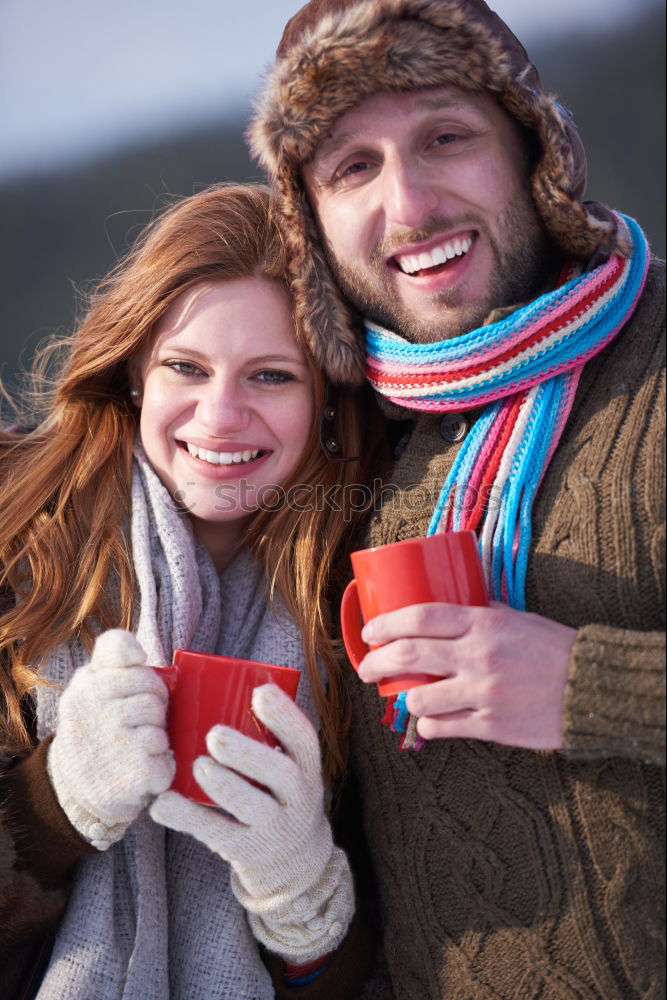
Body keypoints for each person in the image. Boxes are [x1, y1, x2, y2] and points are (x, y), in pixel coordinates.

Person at [248, 1, 666, 997]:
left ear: (534, 151)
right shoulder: (330, 442)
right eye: (354, 166)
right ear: (309, 219)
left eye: (445, 137)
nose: (412, 207)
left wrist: (588, 684)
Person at [0, 182, 379, 999]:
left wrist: (301, 896)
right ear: (135, 367)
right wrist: (57, 801)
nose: (220, 415)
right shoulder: (12, 535)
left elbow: (386, 966)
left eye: (272, 376)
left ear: (325, 402)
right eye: (186, 367)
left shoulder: (356, 587)